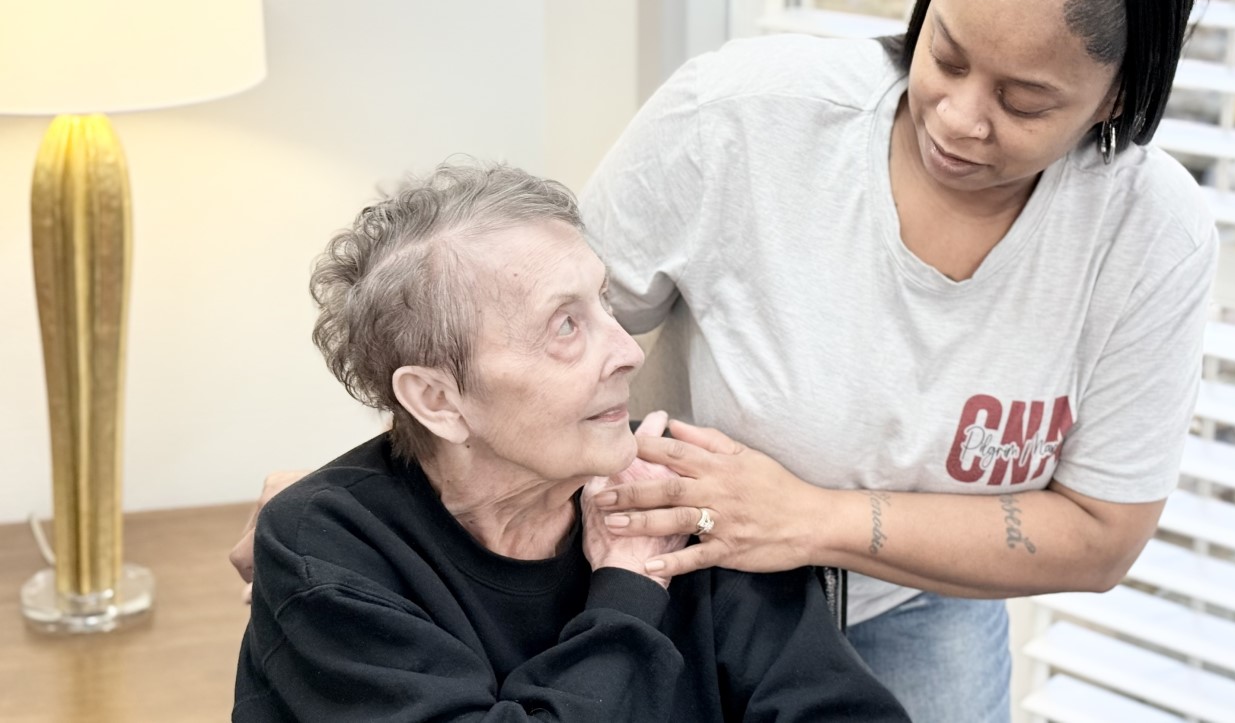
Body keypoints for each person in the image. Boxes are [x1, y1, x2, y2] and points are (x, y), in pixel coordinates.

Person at [233, 0, 1213, 723]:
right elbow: (490, 335)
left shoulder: (1147, 235)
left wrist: (808, 520)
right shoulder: (741, 120)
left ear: (1117, 95)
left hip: (820, 592)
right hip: (674, 556)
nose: (958, 117)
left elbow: (1099, 532)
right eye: (944, 56)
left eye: (1025, 99)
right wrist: (343, 501)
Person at [232, 163, 911, 722]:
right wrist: (624, 591)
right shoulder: (332, 551)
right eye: (565, 325)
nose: (626, 352)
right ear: (438, 400)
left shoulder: (681, 490)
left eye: (604, 304)